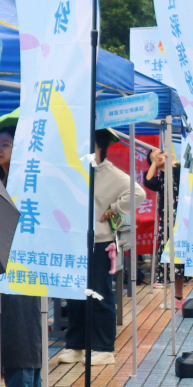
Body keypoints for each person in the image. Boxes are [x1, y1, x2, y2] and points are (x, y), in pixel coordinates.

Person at [0, 124, 43, 387]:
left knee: (20, 328)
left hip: (21, 263)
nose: (0, 149)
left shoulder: (26, 181)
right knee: (13, 328)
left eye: (6, 144)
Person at [62, 130, 136, 362]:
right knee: (75, 295)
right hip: (74, 241)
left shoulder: (112, 174)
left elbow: (138, 193)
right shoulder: (74, 170)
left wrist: (113, 209)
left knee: (100, 294)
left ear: (100, 147)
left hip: (100, 242)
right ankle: (75, 345)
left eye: (88, 144)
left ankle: (104, 349)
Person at [143, 146, 183, 298]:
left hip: (182, 217)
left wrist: (172, 162)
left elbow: (181, 175)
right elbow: (148, 182)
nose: (159, 156)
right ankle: (177, 295)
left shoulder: (178, 169)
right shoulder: (159, 177)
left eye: (160, 153)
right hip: (167, 220)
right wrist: (154, 163)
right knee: (169, 254)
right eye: (155, 156)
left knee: (182, 253)